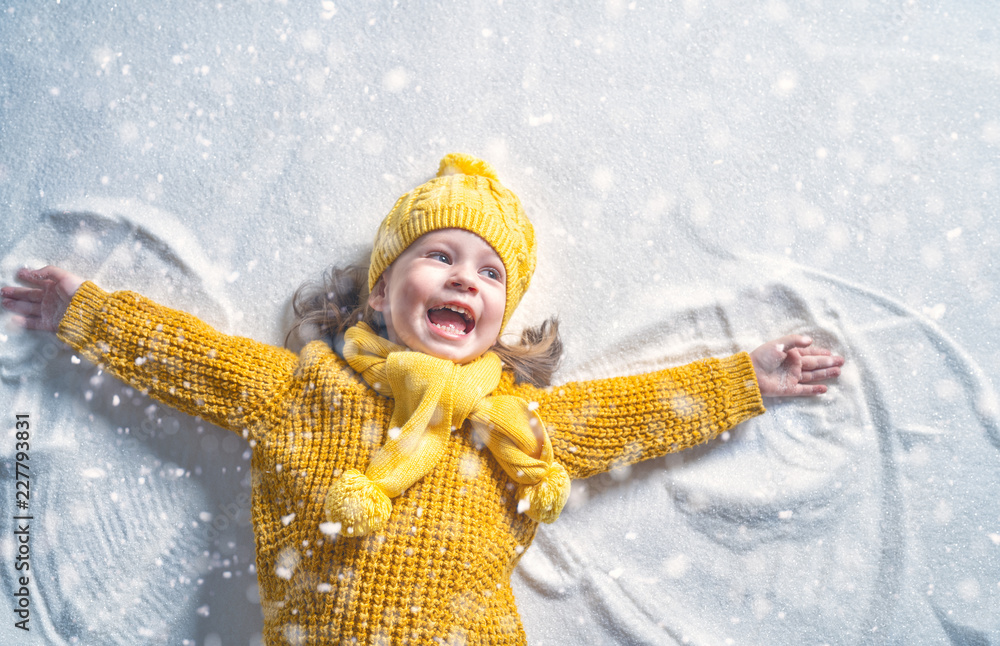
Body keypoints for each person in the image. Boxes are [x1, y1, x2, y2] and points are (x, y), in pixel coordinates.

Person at [1, 153, 843, 645]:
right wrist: (85, 312)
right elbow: (193, 359)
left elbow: (639, 409)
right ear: (378, 295)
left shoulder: (513, 419)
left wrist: (745, 379)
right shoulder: (307, 389)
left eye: (488, 274)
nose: (462, 280)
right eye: (438, 256)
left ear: (499, 322)